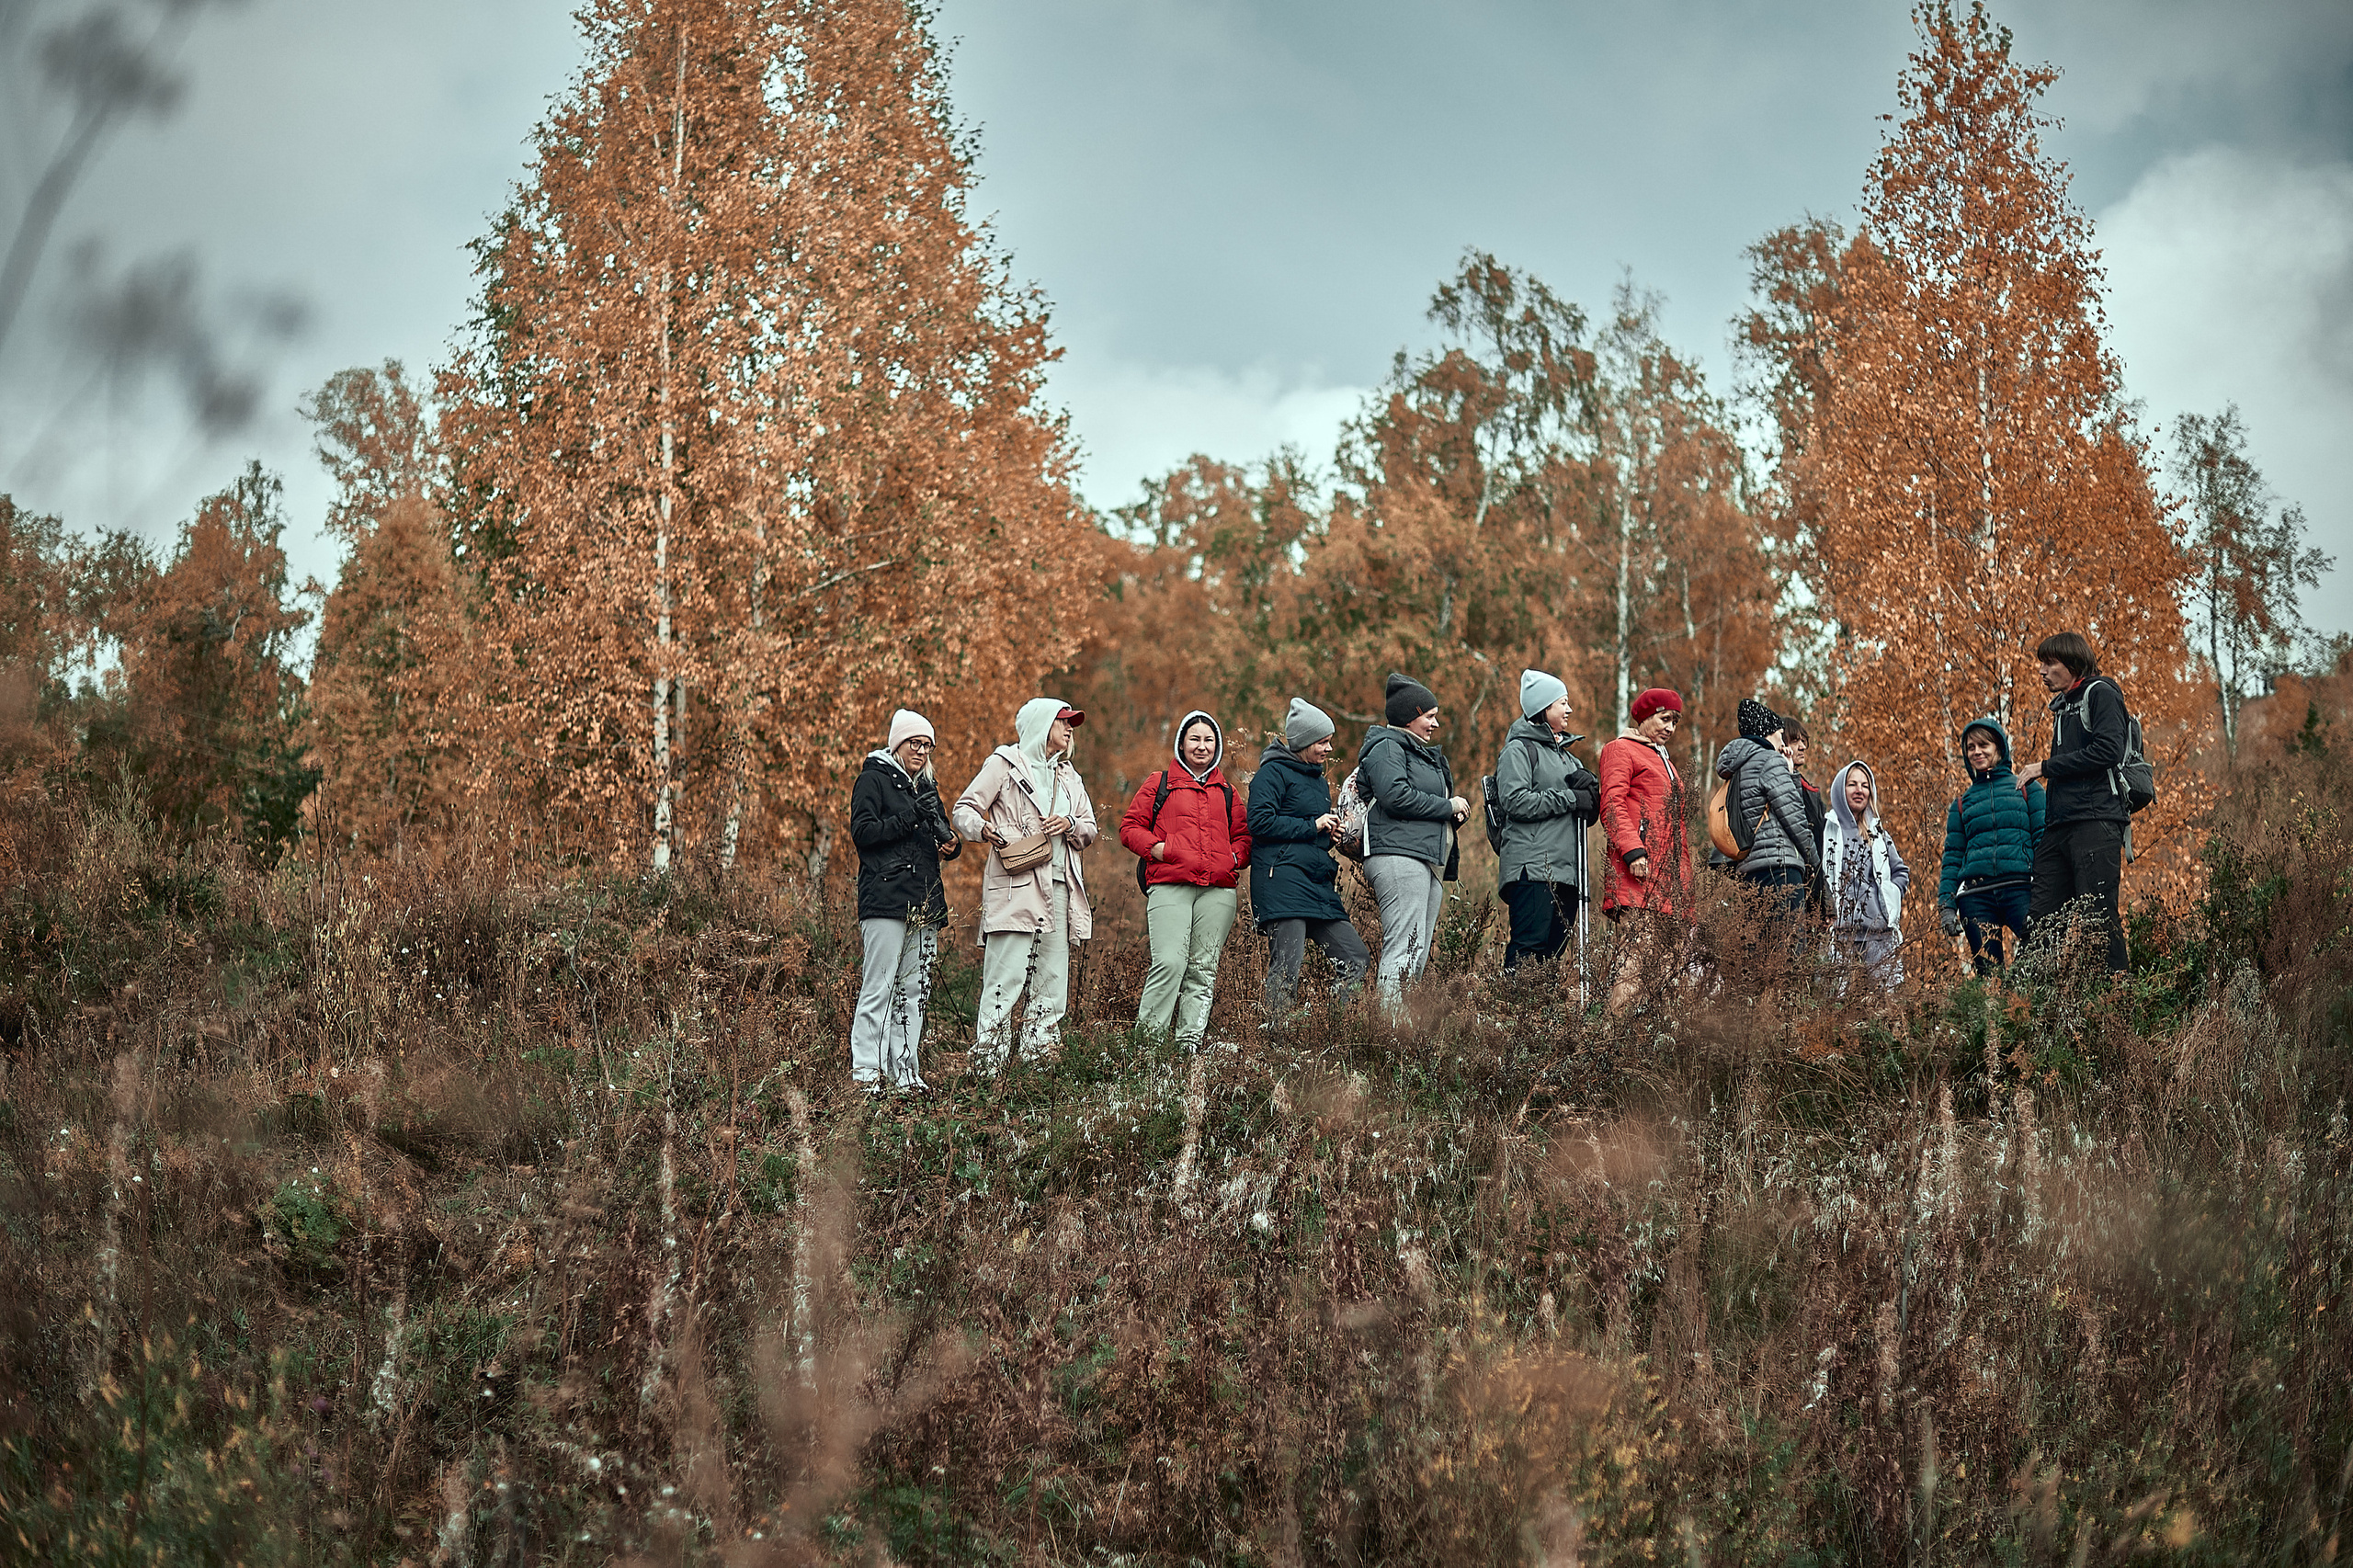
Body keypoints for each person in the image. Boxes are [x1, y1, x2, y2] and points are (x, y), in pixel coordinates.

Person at [953, 699, 1099, 1069]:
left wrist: (1069, 823)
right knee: (1006, 975)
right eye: (1063, 722)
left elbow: (1091, 827)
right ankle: (990, 1063)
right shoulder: (1004, 764)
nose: (1069, 729)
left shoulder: (1069, 775)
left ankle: (1039, 1061)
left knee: (1052, 979)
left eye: (1072, 724)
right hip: (1015, 885)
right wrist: (984, 828)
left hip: (1062, 888)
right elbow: (964, 809)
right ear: (1041, 723)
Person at [1121, 710, 1252, 1050]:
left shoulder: (1227, 792)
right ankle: (1148, 1047)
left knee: (1203, 969)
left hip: (1218, 892)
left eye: (1209, 740)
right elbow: (1130, 828)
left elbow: (1244, 837)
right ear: (1181, 742)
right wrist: (1160, 850)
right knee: (1169, 961)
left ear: (1217, 746)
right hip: (1169, 884)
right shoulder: (1159, 782)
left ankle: (1188, 1045)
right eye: (1195, 738)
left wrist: (1232, 858)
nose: (1202, 746)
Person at [847, 709, 962, 1093]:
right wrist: (911, 817)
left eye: (928, 746)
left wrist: (951, 846)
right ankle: (867, 1073)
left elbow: (940, 836)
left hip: (923, 898)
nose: (923, 751)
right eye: (916, 743)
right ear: (898, 743)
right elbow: (863, 833)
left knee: (915, 989)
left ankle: (905, 1073)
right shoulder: (872, 780)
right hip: (884, 898)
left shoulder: (926, 788)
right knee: (879, 985)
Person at [1248, 699, 1370, 1017]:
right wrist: (1311, 825)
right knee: (1286, 969)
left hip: (1316, 884)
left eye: (1329, 741)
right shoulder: (1271, 774)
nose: (1329, 748)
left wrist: (1324, 835)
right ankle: (1278, 1040)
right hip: (1282, 883)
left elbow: (1304, 833)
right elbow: (1259, 822)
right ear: (1303, 741)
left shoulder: (1317, 780)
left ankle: (1333, 1031)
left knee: (1355, 957)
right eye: (1323, 742)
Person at [2017, 631, 2131, 975]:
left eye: (2050, 663)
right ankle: (2027, 1011)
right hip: (2060, 827)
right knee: (2040, 922)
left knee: (2098, 918)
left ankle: (2118, 1006)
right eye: (2042, 663)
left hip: (2095, 822)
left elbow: (2109, 750)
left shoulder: (2102, 693)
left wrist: (2045, 767)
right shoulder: (2064, 706)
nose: (2042, 671)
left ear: (2073, 663)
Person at [1357, 673, 1469, 1011]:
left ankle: (1402, 1034)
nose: (1435, 723)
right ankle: (1389, 1032)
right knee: (1404, 945)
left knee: (1417, 950)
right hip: (1396, 854)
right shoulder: (1387, 746)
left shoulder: (1420, 752)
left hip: (1425, 858)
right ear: (1409, 715)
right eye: (1429, 716)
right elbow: (1394, 796)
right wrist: (1446, 806)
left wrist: (1451, 816)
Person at [1495, 669, 1601, 974]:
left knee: (1551, 962)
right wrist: (1570, 797)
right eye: (1562, 703)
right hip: (1532, 870)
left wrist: (1592, 789)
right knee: (1528, 950)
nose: (1569, 710)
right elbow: (1515, 801)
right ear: (1543, 707)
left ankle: (1539, 1021)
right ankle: (1509, 1017)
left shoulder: (1571, 759)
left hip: (1567, 873)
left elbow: (1588, 814)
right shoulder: (1518, 750)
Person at [1598, 687, 1693, 1013]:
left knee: (1666, 970)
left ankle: (1647, 1050)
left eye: (1675, 722)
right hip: (1637, 873)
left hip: (1669, 880)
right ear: (1645, 716)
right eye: (1665, 718)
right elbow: (1611, 804)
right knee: (1634, 965)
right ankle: (1612, 1042)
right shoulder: (1620, 750)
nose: (1670, 728)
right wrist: (1633, 850)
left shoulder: (1664, 760)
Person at [1935, 717, 2043, 977]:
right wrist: (1947, 906)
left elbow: (2044, 842)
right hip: (1976, 897)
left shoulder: (2029, 789)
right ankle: (1995, 1018)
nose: (1976, 752)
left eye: (1984, 745)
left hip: (2021, 890)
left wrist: (2048, 888)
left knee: (2042, 959)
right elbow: (1952, 858)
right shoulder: (1961, 804)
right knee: (1990, 978)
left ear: (1999, 748)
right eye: (1970, 747)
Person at [1715, 698, 1823, 942]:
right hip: (1779, 868)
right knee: (1788, 952)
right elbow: (1795, 817)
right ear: (1769, 733)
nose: (1784, 741)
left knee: (1760, 954)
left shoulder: (1738, 766)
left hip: (1749, 870)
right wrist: (1815, 866)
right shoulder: (1769, 760)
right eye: (1781, 734)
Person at [1823, 759, 1911, 992]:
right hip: (1841, 935)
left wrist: (1892, 895)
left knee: (1884, 1003)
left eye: (1865, 785)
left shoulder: (1878, 832)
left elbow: (1900, 870)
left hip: (1879, 934)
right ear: (1840, 790)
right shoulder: (1828, 829)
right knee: (1839, 1003)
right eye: (1852, 784)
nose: (1859, 790)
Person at [1779, 714, 1831, 916]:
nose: (1802, 747)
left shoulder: (1810, 792)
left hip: (1813, 889)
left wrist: (1825, 901)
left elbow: (1818, 846)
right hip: (1788, 885)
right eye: (1795, 741)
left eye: (1803, 741)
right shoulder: (1773, 786)